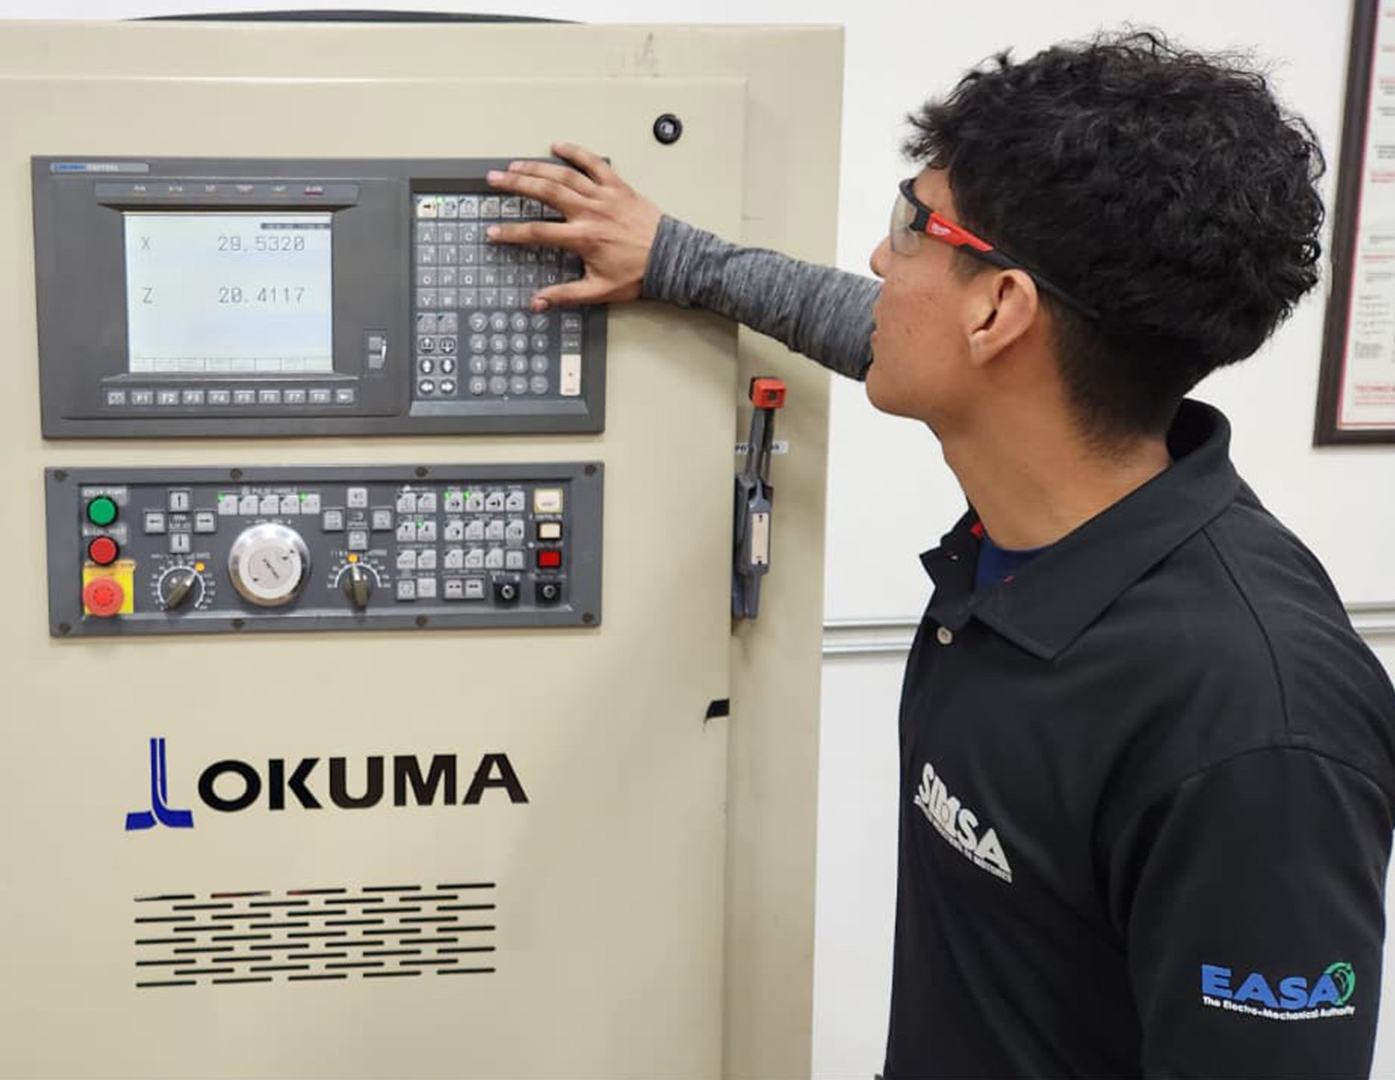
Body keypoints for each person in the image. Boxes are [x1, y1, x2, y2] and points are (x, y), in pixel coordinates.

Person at [488, 30, 1395, 1077]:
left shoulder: (1252, 730)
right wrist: (677, 257)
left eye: (909, 227)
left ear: (1000, 311)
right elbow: (877, 328)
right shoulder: (1036, 546)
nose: (879, 259)